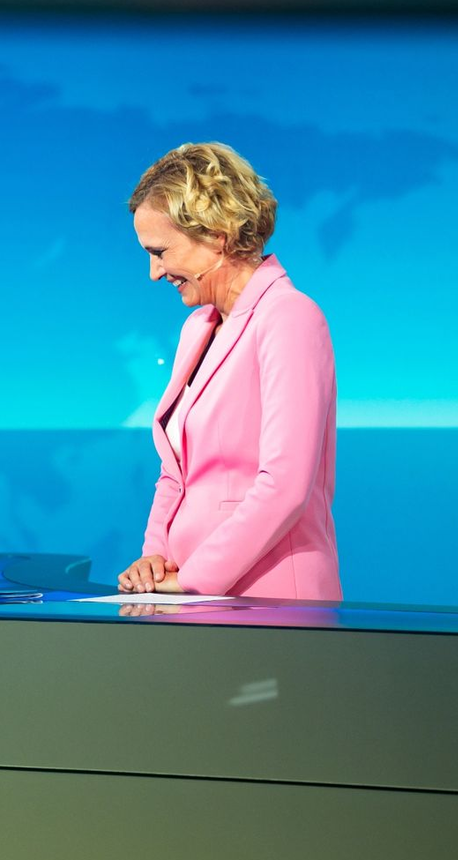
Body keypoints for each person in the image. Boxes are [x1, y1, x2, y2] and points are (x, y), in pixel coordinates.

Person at [118, 142, 341, 601]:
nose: (154, 272)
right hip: (196, 598)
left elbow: (285, 486)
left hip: (273, 601)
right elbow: (175, 474)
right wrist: (153, 558)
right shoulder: (196, 328)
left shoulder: (290, 317)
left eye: (160, 251)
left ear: (216, 236)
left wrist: (193, 581)